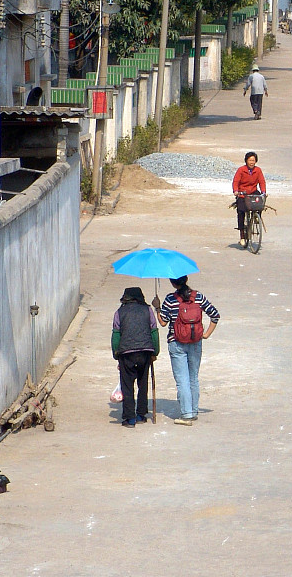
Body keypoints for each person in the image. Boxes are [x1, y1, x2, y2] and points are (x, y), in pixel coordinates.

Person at [155, 276, 220, 426]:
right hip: (196, 341)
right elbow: (215, 315)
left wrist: (157, 307)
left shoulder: (170, 299)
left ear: (172, 283)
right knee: (193, 378)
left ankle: (187, 414)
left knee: (182, 380)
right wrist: (206, 334)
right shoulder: (198, 297)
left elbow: (163, 322)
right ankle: (194, 410)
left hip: (176, 343)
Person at [111, 286, 159, 427]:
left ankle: (129, 419)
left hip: (126, 353)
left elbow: (116, 335)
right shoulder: (148, 310)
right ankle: (141, 414)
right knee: (143, 383)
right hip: (145, 352)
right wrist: (155, 352)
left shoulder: (119, 312)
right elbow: (154, 331)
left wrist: (116, 354)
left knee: (127, 386)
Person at [232, 151, 266, 246]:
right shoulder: (241, 170)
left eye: (253, 160)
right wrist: (236, 191)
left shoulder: (258, 170)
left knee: (260, 202)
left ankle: (256, 217)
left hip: (253, 191)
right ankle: (242, 236)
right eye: (250, 160)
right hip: (243, 193)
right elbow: (235, 181)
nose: (252, 162)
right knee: (241, 211)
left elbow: (262, 182)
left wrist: (263, 192)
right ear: (246, 161)